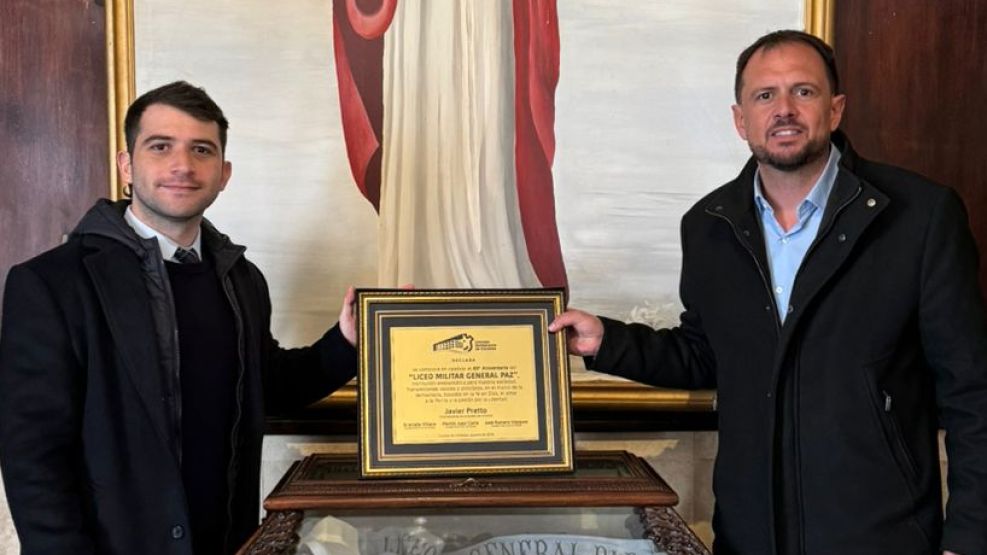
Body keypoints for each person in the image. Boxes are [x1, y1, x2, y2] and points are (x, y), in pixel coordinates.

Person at [549, 30, 987, 555]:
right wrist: (606, 342)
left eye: (803, 92)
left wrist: (968, 538)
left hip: (882, 537)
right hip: (750, 537)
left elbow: (973, 393)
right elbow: (707, 355)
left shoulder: (919, 216)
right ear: (741, 119)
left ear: (836, 109)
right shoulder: (709, 226)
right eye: (765, 95)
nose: (784, 109)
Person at [0, 81, 358, 555]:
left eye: (201, 150)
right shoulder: (50, 284)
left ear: (224, 173)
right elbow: (33, 457)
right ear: (126, 165)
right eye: (160, 146)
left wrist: (350, 342)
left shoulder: (241, 279)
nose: (182, 166)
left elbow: (269, 384)